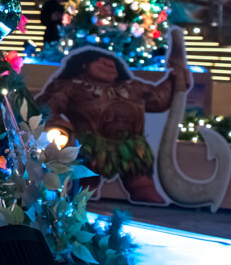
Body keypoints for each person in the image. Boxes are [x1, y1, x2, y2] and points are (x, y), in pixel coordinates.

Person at [36, 46, 190, 205]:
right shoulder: (69, 86)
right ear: (84, 65)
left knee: (143, 185)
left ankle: (144, 191)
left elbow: (158, 99)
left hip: (130, 148)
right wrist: (62, 128)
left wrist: (173, 81)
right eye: (102, 64)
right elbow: (46, 108)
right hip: (89, 146)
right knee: (84, 187)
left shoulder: (133, 87)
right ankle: (81, 197)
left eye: (112, 66)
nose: (109, 67)